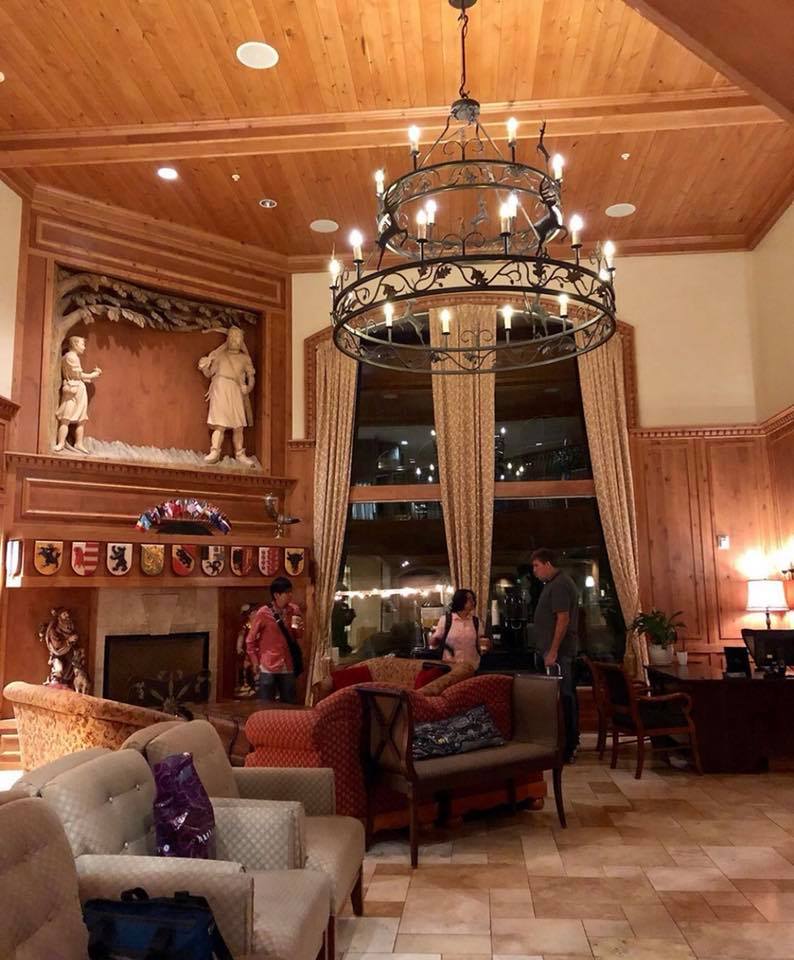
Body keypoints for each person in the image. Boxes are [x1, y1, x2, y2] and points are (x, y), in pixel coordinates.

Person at [530, 548, 580, 763]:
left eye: (536, 566)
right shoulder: (552, 584)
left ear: (548, 564)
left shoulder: (559, 584)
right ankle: (564, 743)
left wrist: (553, 650)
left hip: (559, 654)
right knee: (561, 698)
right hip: (552, 651)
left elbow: (563, 619)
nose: (534, 571)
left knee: (564, 697)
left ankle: (568, 746)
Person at [198, 326, 256, 466]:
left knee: (238, 425)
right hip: (220, 389)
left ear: (241, 340)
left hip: (236, 390)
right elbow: (209, 373)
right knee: (220, 424)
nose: (235, 340)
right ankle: (215, 451)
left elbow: (251, 377)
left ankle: (240, 453)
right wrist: (204, 367)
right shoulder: (220, 356)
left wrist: (248, 388)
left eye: (238, 337)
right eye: (232, 337)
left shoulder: (245, 358)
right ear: (228, 339)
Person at [245, 576, 303, 703]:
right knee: (266, 704)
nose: (290, 595)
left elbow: (298, 635)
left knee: (289, 703)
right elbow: (250, 640)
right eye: (287, 592)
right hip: (268, 665)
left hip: (288, 664)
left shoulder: (294, 610)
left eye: (291, 591)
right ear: (276, 595)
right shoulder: (263, 613)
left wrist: (298, 627)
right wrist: (255, 661)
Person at [53, 336, 102, 453]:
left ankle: (78, 443)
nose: (84, 348)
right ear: (75, 344)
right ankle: (61, 443)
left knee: (81, 419)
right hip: (73, 389)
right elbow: (78, 375)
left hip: (77, 389)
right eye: (82, 344)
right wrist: (94, 375)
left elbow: (77, 375)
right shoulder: (71, 357)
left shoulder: (71, 357)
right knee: (66, 418)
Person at [429, 588, 485, 669]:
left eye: (473, 599)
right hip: (450, 667)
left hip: (471, 667)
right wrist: (434, 640)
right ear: (460, 600)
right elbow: (435, 641)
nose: (472, 601)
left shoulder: (476, 621)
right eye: (469, 599)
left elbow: (481, 643)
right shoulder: (446, 620)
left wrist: (486, 645)